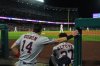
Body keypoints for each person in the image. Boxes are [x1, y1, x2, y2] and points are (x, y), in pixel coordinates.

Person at [11, 24, 77, 66]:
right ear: (41, 30)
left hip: (19, 63)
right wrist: (72, 35)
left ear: (33, 29)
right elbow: (58, 40)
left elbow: (12, 47)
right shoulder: (41, 39)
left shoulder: (23, 35)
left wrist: (19, 55)